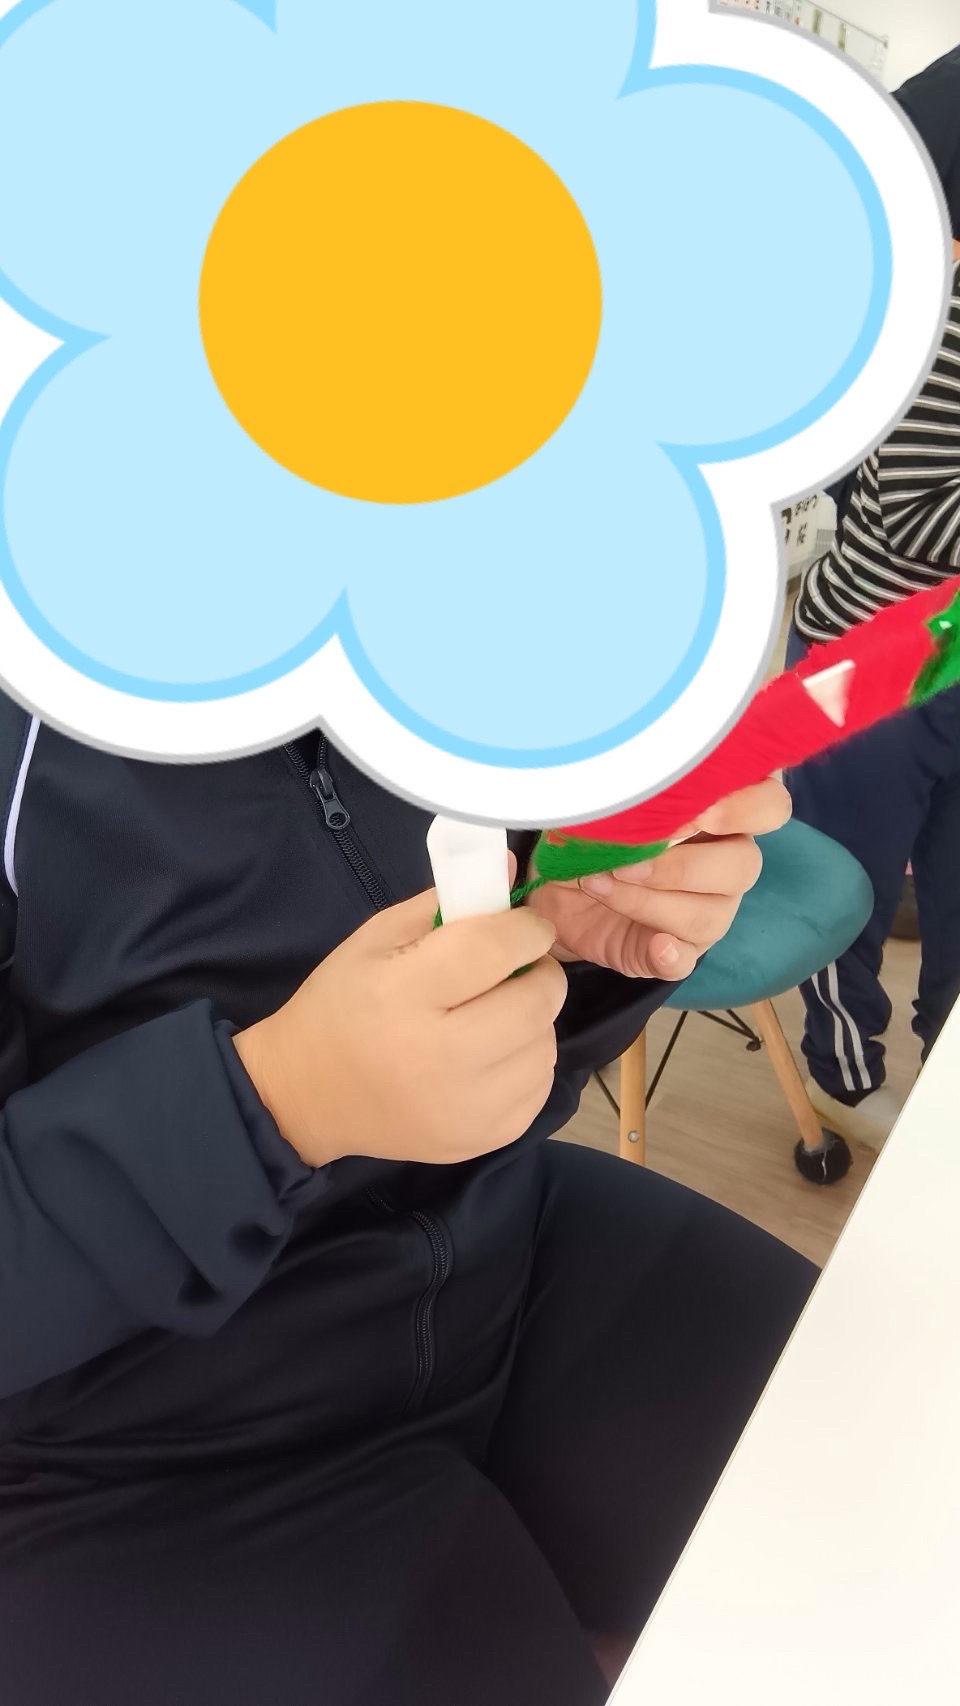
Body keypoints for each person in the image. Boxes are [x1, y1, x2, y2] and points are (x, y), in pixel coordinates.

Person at [0, 688, 811, 1706]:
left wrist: (574, 937)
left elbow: (489, 975)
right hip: (124, 1460)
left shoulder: (444, 620)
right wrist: (279, 1100)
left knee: (884, 1460)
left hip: (496, 1254)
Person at [789, 48, 960, 1151]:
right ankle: (843, 1079)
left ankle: (945, 1073)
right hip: (872, 663)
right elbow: (916, 516)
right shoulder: (924, 317)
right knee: (844, 886)